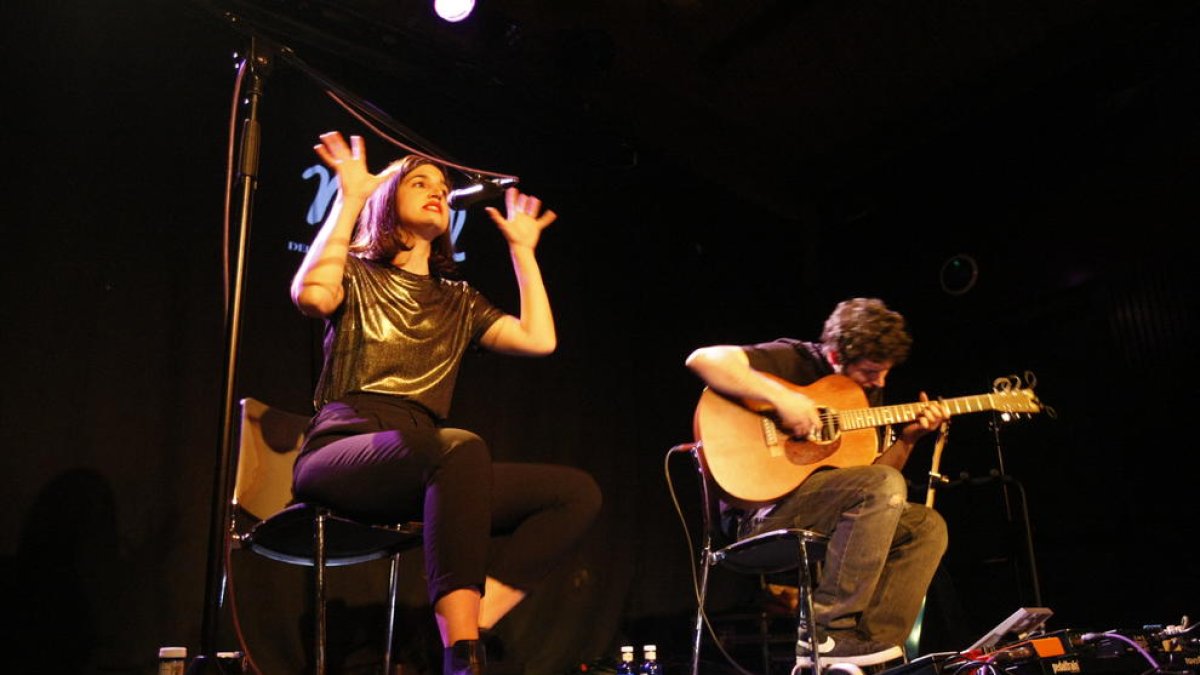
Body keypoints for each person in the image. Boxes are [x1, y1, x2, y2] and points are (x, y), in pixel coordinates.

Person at [289, 131, 602, 675]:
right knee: (457, 449)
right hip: (343, 448)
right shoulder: (359, 275)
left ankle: (471, 622)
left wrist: (522, 253)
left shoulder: (458, 300)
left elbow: (539, 340)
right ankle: (464, 657)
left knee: (573, 494)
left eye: (443, 185)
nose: (438, 190)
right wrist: (351, 199)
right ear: (388, 202)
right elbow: (313, 296)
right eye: (419, 181)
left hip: (425, 458)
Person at [685, 297, 950, 667]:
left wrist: (909, 440)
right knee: (881, 485)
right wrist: (783, 399)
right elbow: (703, 358)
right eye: (873, 371)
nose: (881, 381)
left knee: (926, 526)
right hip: (759, 518)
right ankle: (826, 633)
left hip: (821, 513)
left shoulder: (862, 396)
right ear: (838, 355)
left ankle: (868, 651)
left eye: (886, 372)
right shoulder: (795, 359)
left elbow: (878, 485)